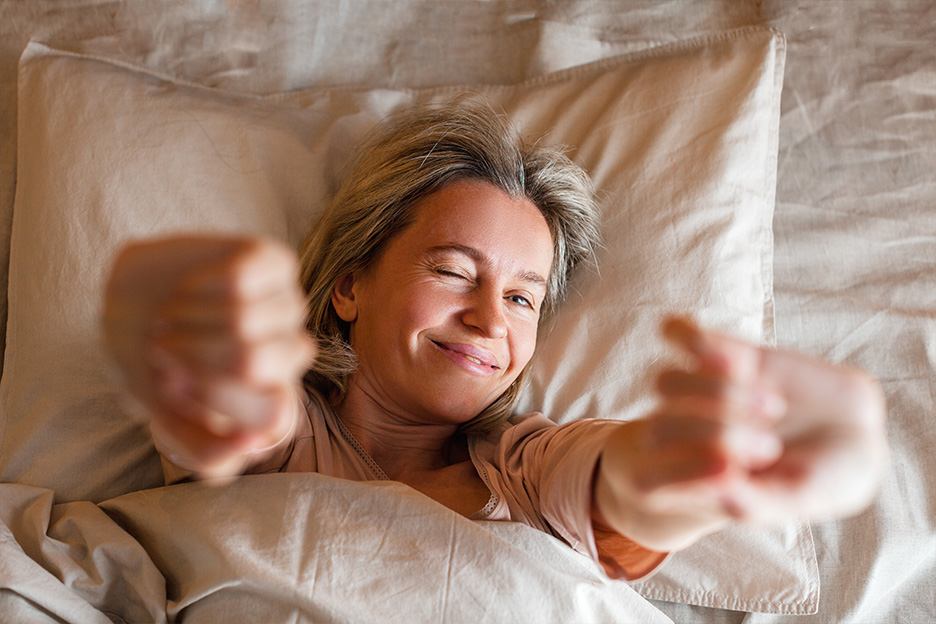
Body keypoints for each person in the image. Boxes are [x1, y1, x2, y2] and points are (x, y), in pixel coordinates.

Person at [102, 102, 888, 581]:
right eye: (452, 271)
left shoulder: (523, 468)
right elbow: (239, 409)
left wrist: (717, 458)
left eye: (522, 297)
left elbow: (627, 483)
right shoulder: (290, 441)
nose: (490, 319)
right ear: (349, 285)